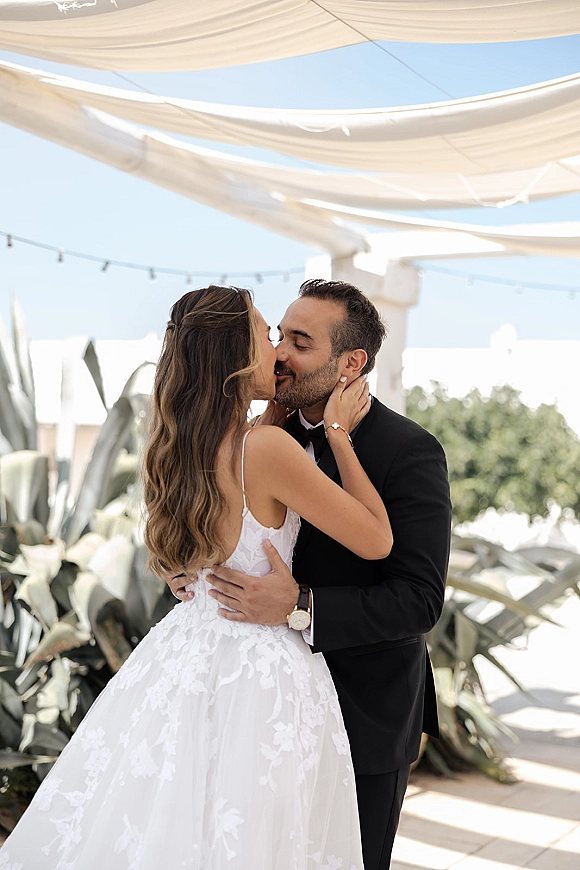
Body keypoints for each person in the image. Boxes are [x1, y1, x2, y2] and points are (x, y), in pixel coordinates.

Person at [0, 284, 394, 869]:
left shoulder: (180, 444)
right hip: (260, 669)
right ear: (238, 356)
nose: (277, 348)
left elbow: (188, 556)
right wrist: (337, 433)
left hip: (186, 652)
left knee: (177, 818)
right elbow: (377, 538)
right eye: (267, 335)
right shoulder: (267, 449)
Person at [169, 279, 452, 870]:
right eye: (277, 335)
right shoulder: (257, 433)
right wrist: (188, 574)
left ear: (353, 363)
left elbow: (419, 600)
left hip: (362, 714)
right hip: (248, 708)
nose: (280, 354)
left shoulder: (409, 450)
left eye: (300, 341)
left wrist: (301, 605)